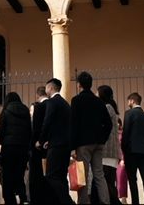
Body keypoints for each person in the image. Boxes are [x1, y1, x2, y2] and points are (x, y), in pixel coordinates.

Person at [70, 71, 112, 204]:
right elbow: (109, 124)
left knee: (83, 175)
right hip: (98, 143)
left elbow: (74, 124)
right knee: (99, 174)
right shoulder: (99, 101)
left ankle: (83, 202)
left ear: (79, 85)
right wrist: (102, 139)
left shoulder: (76, 100)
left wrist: (72, 147)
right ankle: (105, 202)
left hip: (83, 144)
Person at [37, 78, 74, 204]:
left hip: (56, 146)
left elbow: (48, 122)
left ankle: (68, 202)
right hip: (65, 146)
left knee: (51, 176)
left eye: (47, 87)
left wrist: (41, 140)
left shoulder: (52, 102)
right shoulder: (65, 104)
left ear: (51, 88)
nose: (45, 90)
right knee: (62, 177)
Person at [0, 92, 32, 205]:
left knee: (7, 177)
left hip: (8, 148)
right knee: (19, 175)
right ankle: (23, 198)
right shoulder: (26, 111)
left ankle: (10, 200)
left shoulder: (6, 111)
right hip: (22, 149)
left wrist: (3, 142)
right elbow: (29, 130)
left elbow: (1, 131)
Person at [121, 92, 144, 205]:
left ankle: (135, 202)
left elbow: (126, 134)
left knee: (132, 180)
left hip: (132, 151)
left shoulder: (129, 113)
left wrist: (124, 150)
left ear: (132, 101)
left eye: (128, 101)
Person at [97, 85, 122, 205]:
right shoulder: (110, 107)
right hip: (110, 153)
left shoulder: (107, 107)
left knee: (108, 185)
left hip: (107, 152)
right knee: (109, 184)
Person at [29, 86, 49, 205]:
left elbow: (37, 128)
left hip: (38, 147)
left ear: (37, 95)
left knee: (37, 175)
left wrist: (37, 141)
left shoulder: (39, 107)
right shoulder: (53, 104)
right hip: (50, 146)